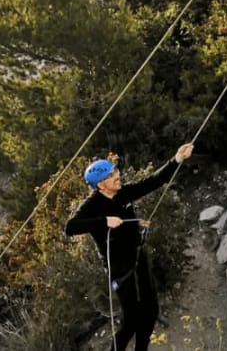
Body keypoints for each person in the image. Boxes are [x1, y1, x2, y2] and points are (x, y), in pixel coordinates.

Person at [66, 143, 194, 351]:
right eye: (110, 175)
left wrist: (176, 159)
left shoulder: (123, 192)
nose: (117, 176)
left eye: (115, 171)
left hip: (137, 257)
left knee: (151, 311)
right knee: (132, 320)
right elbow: (70, 228)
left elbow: (151, 182)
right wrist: (103, 221)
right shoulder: (92, 205)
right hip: (120, 270)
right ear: (100, 185)